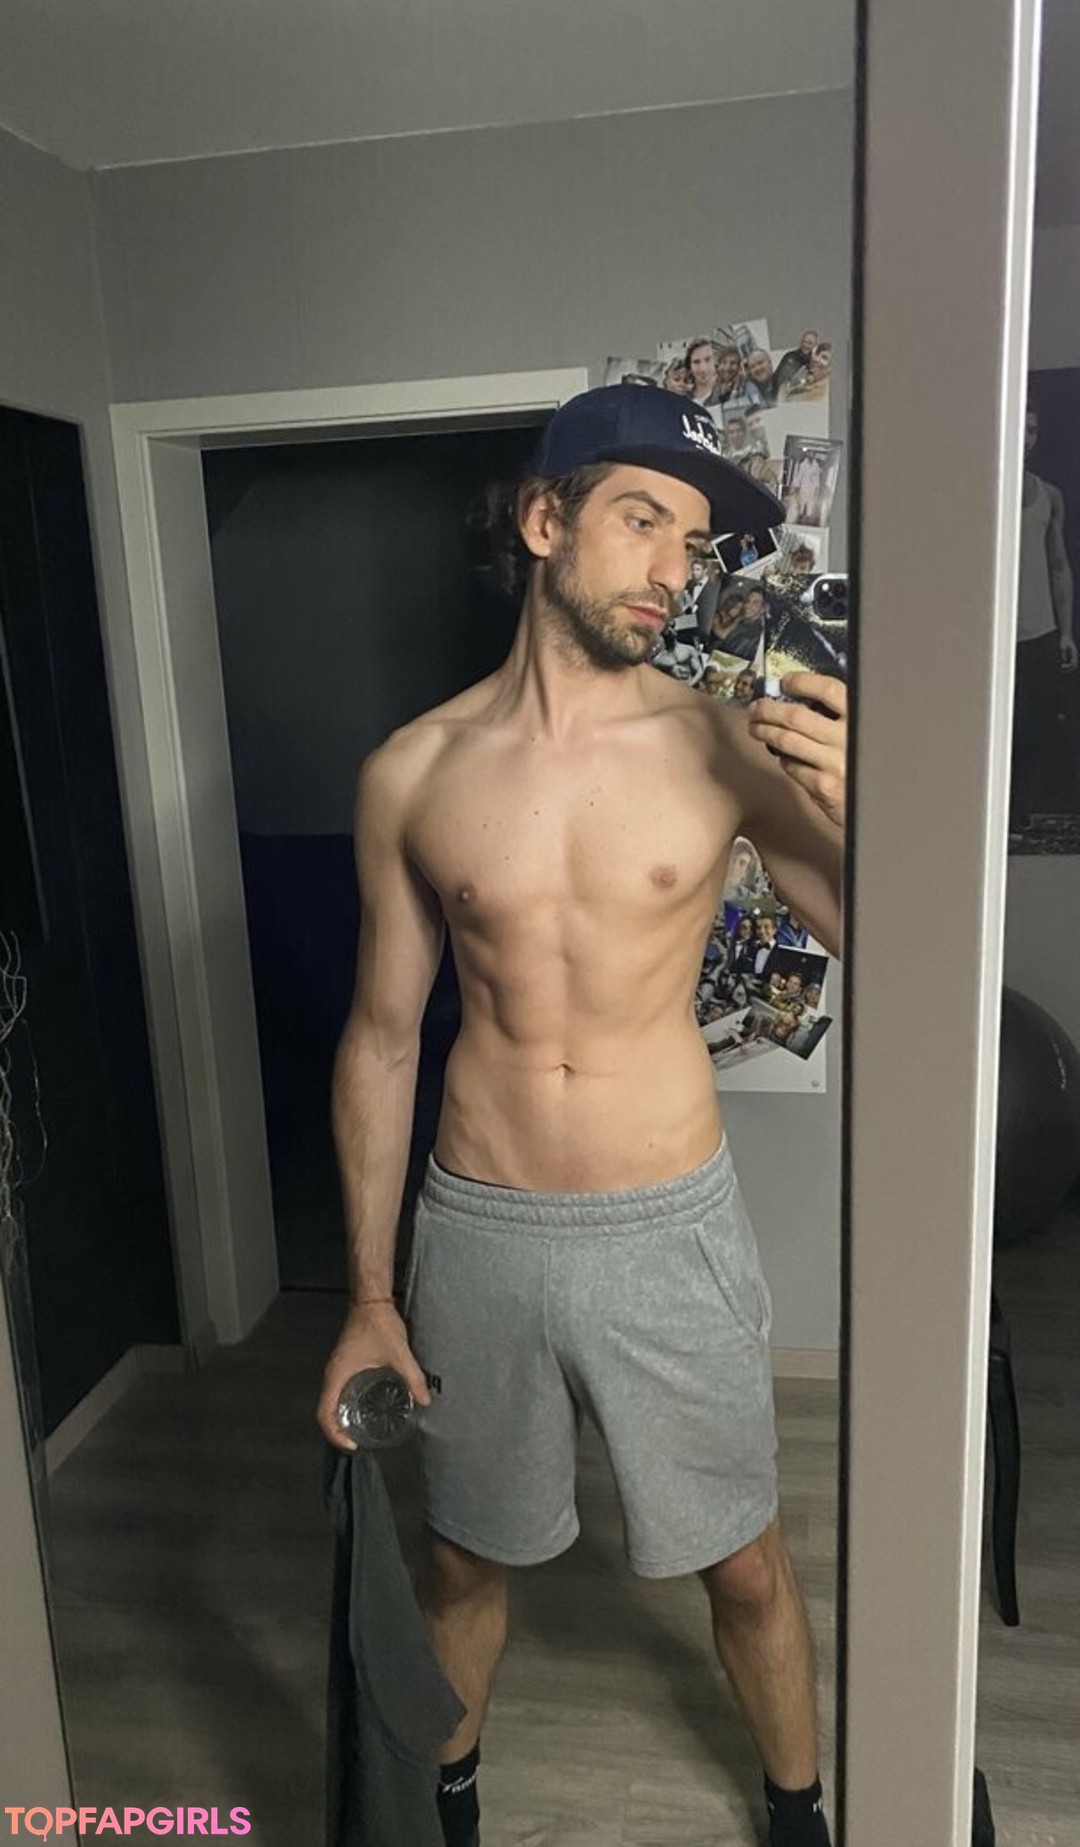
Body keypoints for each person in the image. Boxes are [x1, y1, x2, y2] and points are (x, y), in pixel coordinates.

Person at [318, 382, 845, 1847]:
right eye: (642, 519)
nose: (673, 568)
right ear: (546, 521)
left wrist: (875, 811)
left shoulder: (724, 746)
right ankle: (450, 1809)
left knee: (744, 1562)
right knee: (462, 1561)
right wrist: (368, 1295)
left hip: (665, 1223)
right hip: (477, 1231)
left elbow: (894, 944)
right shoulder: (412, 771)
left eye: (693, 540)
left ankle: (798, 1811)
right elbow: (380, 1039)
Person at [1010, 398, 1079, 836]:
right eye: (1021, 429)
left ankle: (1020, 803)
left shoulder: (1049, 495)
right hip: (996, 634)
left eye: (1033, 431)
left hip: (1041, 630)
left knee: (1042, 720)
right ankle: (1004, 811)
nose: (1026, 439)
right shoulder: (985, 490)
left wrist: (1066, 632)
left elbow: (1058, 565)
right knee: (1004, 723)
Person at [773, 330, 820, 397]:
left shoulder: (817, 362)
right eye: (804, 342)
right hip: (782, 394)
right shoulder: (789, 356)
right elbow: (779, 378)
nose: (806, 345)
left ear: (815, 346)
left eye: (810, 343)